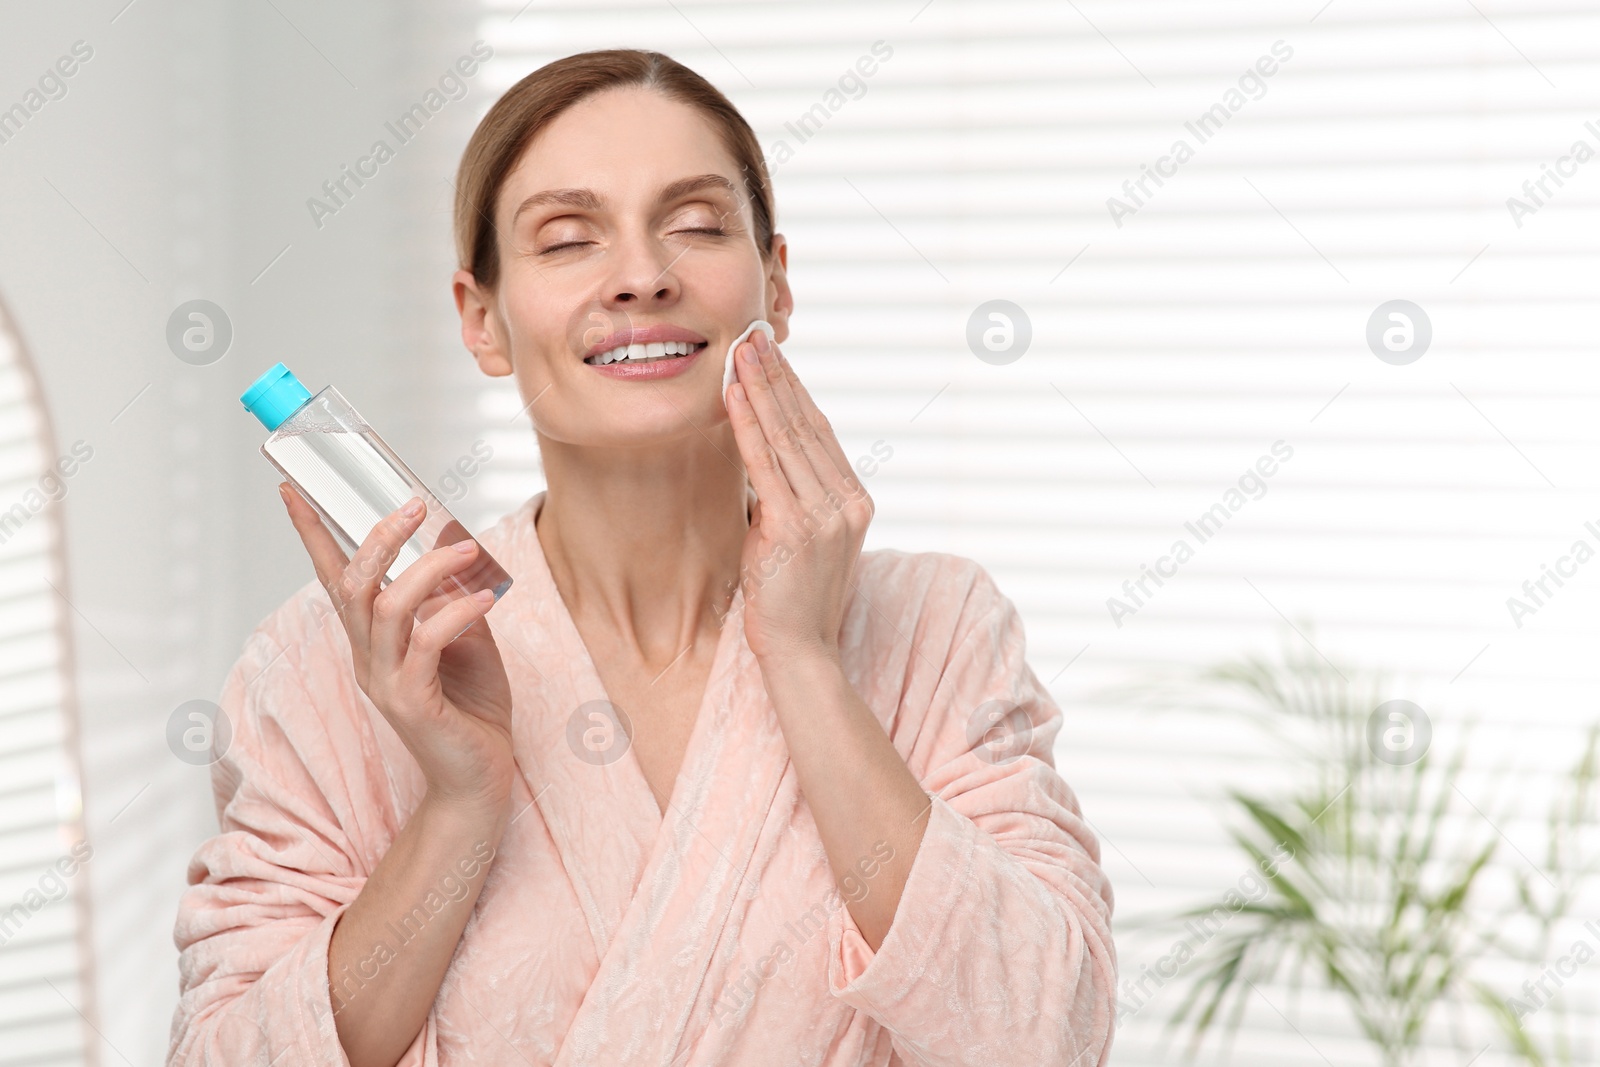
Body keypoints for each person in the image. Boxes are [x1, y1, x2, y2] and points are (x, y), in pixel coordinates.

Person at [167, 48, 1116, 1067]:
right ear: (480, 319)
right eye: (567, 238)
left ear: (777, 285)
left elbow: (1042, 1036)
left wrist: (801, 660)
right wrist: (457, 806)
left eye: (698, 225)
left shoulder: (936, 629)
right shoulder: (335, 664)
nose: (641, 275)